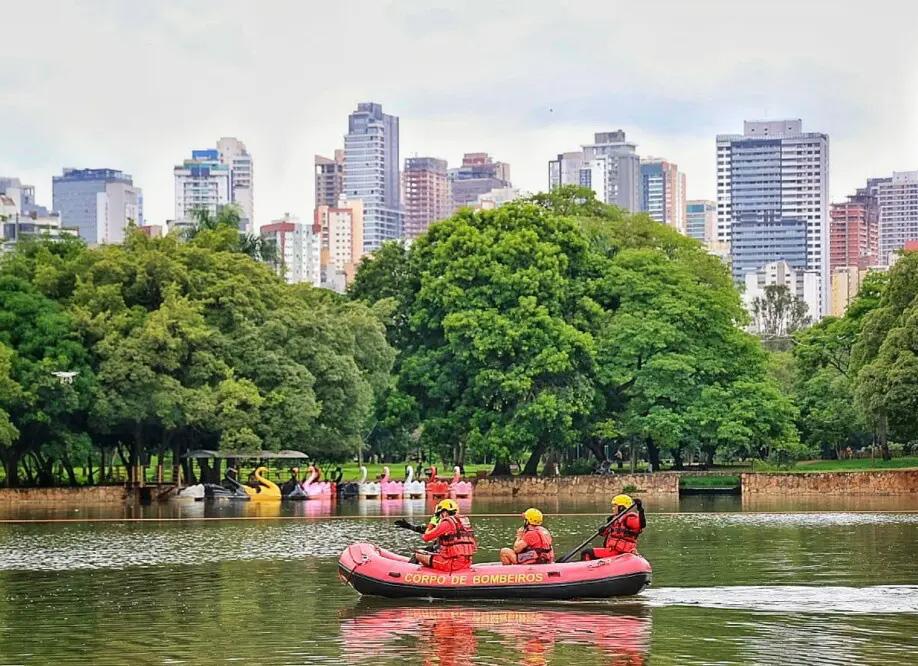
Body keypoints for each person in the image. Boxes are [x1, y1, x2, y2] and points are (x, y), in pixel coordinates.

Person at [395, 499, 477, 572]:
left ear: (444, 512)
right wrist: (409, 526)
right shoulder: (463, 522)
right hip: (466, 562)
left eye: (440, 514)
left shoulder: (446, 523)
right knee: (429, 551)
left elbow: (426, 537)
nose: (439, 516)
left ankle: (407, 572)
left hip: (451, 564)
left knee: (418, 554)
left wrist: (432, 522)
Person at [581, 494, 645, 561]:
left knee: (586, 553)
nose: (613, 508)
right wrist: (602, 531)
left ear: (621, 507)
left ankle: (587, 567)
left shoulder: (630, 518)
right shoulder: (614, 519)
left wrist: (640, 510)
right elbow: (607, 533)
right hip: (612, 550)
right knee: (587, 552)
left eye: (615, 506)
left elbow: (641, 525)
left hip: (621, 551)